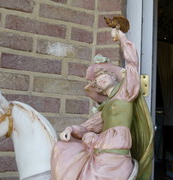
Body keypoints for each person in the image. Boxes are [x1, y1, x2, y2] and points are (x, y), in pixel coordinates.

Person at [51, 17, 153, 180]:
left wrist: (122, 38)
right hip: (100, 151)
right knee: (67, 153)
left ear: (113, 76)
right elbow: (87, 127)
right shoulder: (104, 108)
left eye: (103, 74)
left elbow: (132, 64)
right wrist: (70, 129)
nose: (100, 79)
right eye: (97, 80)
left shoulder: (126, 92)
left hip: (115, 156)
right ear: (98, 88)